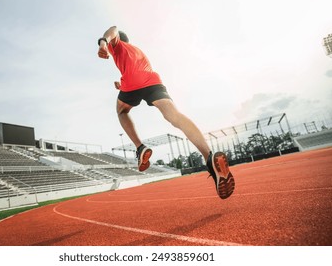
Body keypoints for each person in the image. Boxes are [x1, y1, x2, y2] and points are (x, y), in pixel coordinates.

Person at [97, 26, 235, 199]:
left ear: (117, 41)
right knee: (174, 116)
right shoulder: (137, 51)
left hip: (132, 83)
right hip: (152, 81)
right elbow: (133, 70)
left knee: (122, 111)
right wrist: (122, 84)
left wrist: (103, 42)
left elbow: (113, 29)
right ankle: (209, 157)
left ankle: (140, 148)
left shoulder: (116, 45)